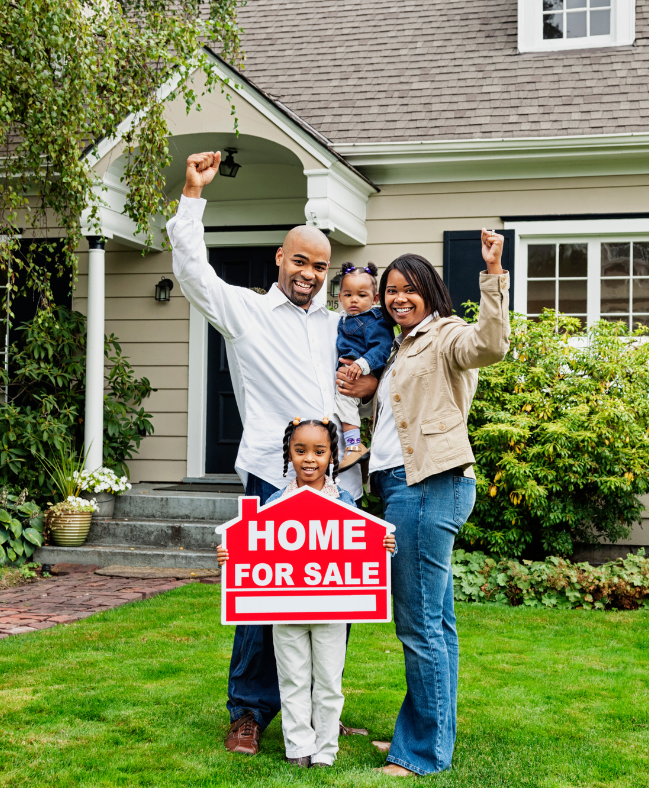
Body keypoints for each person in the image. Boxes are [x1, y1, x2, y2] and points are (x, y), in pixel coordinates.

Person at [167, 151, 379, 757]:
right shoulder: (247, 312)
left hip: (338, 481)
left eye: (321, 265)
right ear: (280, 259)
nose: (310, 273)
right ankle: (248, 713)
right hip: (272, 476)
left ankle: (316, 716)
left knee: (332, 603)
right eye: (301, 261)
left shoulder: (339, 323)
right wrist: (192, 195)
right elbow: (191, 273)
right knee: (264, 603)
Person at [369, 230, 509, 777]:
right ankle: (429, 733)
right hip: (402, 485)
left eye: (409, 289)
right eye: (391, 290)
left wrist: (493, 275)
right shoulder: (402, 344)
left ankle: (423, 752)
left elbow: (490, 346)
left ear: (430, 290)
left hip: (429, 484)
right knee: (436, 623)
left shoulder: (447, 334)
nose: (399, 298)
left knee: (419, 624)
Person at [216, 417, 396, 768]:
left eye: (319, 451)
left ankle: (325, 750)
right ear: (289, 454)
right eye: (300, 451)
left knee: (328, 682)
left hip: (332, 611)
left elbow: (362, 545)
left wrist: (384, 546)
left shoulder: (344, 502)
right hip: (287, 610)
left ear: (332, 456)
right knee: (293, 679)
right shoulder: (273, 505)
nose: (309, 459)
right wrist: (231, 554)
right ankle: (298, 747)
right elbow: (253, 545)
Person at [333, 262, 393, 470]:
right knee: (342, 402)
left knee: (344, 400)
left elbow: (382, 347)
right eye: (348, 295)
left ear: (375, 299)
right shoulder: (341, 319)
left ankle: (353, 446)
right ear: (340, 297)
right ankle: (353, 445)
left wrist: (362, 364)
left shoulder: (374, 320)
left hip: (362, 370)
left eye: (362, 295)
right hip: (350, 372)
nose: (354, 300)